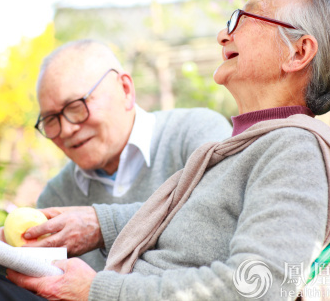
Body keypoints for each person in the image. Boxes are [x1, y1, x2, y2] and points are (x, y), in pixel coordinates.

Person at [0, 0, 330, 301]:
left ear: (298, 52)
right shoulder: (242, 146)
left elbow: (261, 284)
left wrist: (97, 290)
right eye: (51, 119)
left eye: (246, 18)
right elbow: (198, 224)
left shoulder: (295, 149)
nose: (225, 35)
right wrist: (97, 226)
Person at [30, 40, 232, 270]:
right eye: (50, 120)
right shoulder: (56, 197)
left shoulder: (196, 133)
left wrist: (102, 226)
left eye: (76, 106)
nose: (66, 130)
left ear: (125, 90)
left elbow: (220, 218)